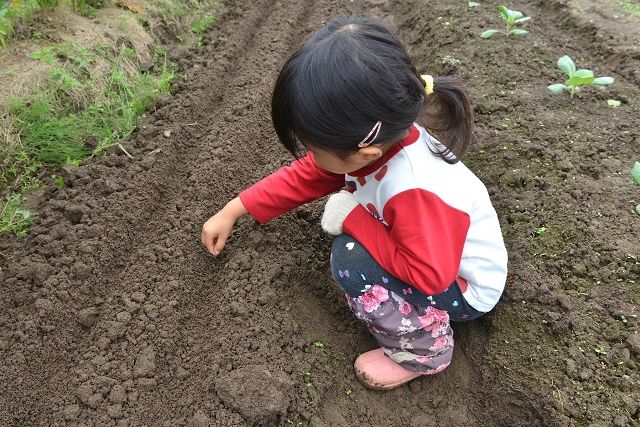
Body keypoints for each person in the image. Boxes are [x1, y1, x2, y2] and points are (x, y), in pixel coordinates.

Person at [201, 16, 508, 390]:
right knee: (350, 224)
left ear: (365, 151)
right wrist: (235, 208)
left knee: (350, 260)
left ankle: (424, 351)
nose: (309, 155)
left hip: (460, 286)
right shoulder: (378, 147)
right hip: (433, 253)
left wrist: (354, 219)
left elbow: (429, 275)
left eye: (313, 147)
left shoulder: (413, 189)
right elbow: (308, 175)